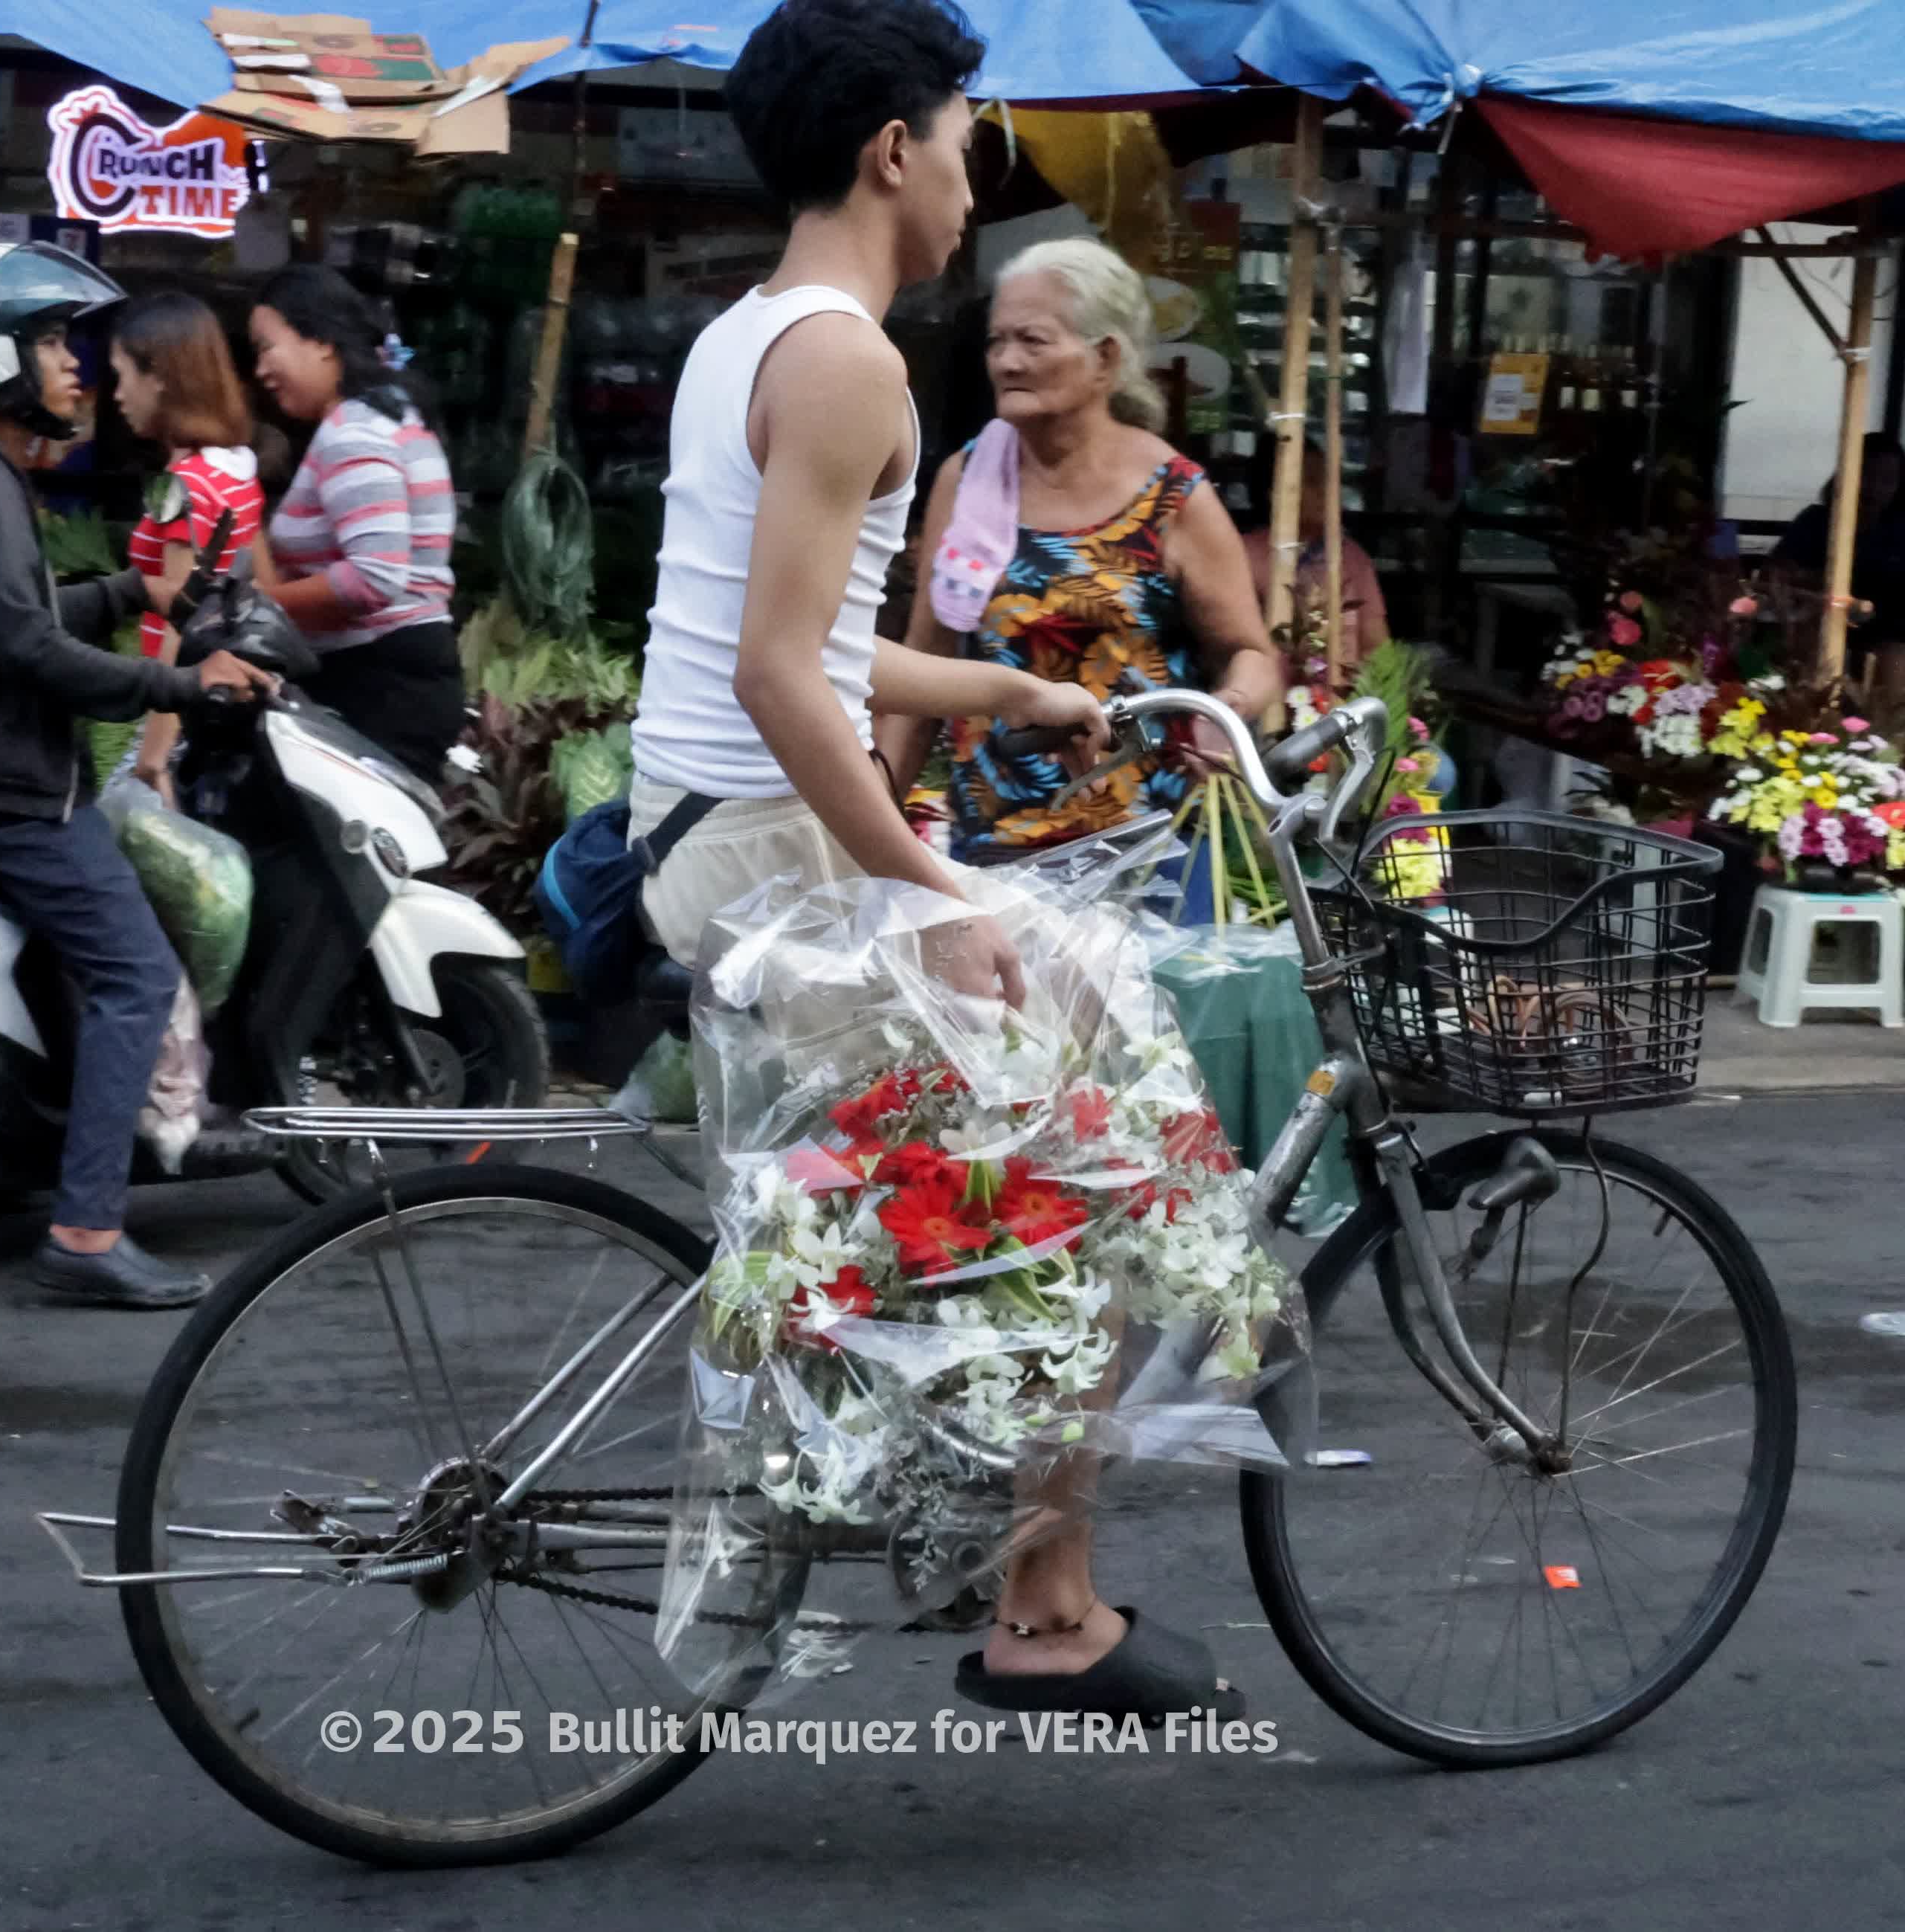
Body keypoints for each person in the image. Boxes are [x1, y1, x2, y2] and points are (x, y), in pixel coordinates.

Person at [629, 0, 1231, 1722]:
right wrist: (925, 890)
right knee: (1126, 1155)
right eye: (966, 139)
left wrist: (1001, 684)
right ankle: (1028, 1602)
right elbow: (772, 673)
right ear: (892, 149)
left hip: (712, 832)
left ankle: (952, 1497)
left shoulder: (757, 333)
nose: (977, 178)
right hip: (769, 860)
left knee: (1032, 1133)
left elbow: (797, 645)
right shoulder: (851, 361)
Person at [0, 242, 271, 1309]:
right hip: (0, 788)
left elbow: (17, 620)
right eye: (47, 343)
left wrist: (127, 589)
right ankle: (87, 1230)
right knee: (135, 973)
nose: (73, 367)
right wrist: (186, 687)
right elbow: (29, 658)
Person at [884, 236, 1280, 871]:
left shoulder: (1175, 497)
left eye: (1033, 341)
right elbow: (925, 665)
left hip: (1149, 855)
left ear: (1105, 358)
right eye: (996, 342)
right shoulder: (968, 480)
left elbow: (1251, 653)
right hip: (993, 853)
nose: (1006, 362)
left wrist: (1226, 712)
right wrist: (874, 826)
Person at [250, 267, 462, 785]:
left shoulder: (353, 432)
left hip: (380, 687)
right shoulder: (390, 417)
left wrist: (260, 602)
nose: (259, 369)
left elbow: (373, 578)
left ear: (322, 342)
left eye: (266, 347)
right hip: (397, 676)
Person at [110, 291, 269, 806]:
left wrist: (152, 759)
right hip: (209, 706)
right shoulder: (237, 468)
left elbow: (180, 614)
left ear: (159, 375)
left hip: (168, 716)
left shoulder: (182, 487)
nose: (117, 395)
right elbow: (259, 584)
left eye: (123, 375)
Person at [1773, 431, 1905, 694]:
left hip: (1896, 637)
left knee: (1893, 664)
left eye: (1887, 480)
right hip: (1820, 628)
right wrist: (1800, 577)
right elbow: (1778, 572)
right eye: (1866, 474)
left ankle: (1878, 732)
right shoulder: (1816, 522)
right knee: (1800, 646)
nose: (1873, 487)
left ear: (1899, 487)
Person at [1237, 435, 1390, 669]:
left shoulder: (1352, 558)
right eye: (1311, 480)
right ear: (1275, 490)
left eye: (1327, 480)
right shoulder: (1245, 555)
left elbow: (1377, 651)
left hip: (1340, 699)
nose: (1325, 491)